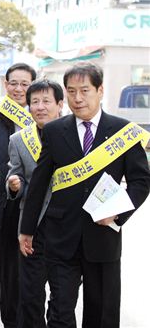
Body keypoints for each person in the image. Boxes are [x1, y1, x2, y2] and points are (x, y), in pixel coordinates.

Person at [19, 62, 150, 328]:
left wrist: (118, 213)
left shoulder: (123, 131)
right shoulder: (55, 131)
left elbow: (140, 181)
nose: (77, 98)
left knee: (102, 312)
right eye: (71, 91)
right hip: (61, 236)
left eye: (85, 90)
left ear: (100, 90)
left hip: (103, 236)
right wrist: (27, 229)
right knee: (60, 310)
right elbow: (39, 183)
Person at [0, 62, 36, 328]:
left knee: (35, 272)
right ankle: (11, 322)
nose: (18, 89)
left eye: (25, 84)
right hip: (6, 207)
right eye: (14, 83)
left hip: (37, 209)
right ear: (5, 84)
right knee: (9, 272)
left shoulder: (45, 119)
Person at [6, 79, 64, 327]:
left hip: (66, 227)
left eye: (46, 101)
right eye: (34, 102)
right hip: (32, 228)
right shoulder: (19, 140)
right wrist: (13, 184)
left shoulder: (73, 135)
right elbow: (14, 172)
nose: (40, 107)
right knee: (30, 296)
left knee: (62, 298)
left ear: (60, 105)